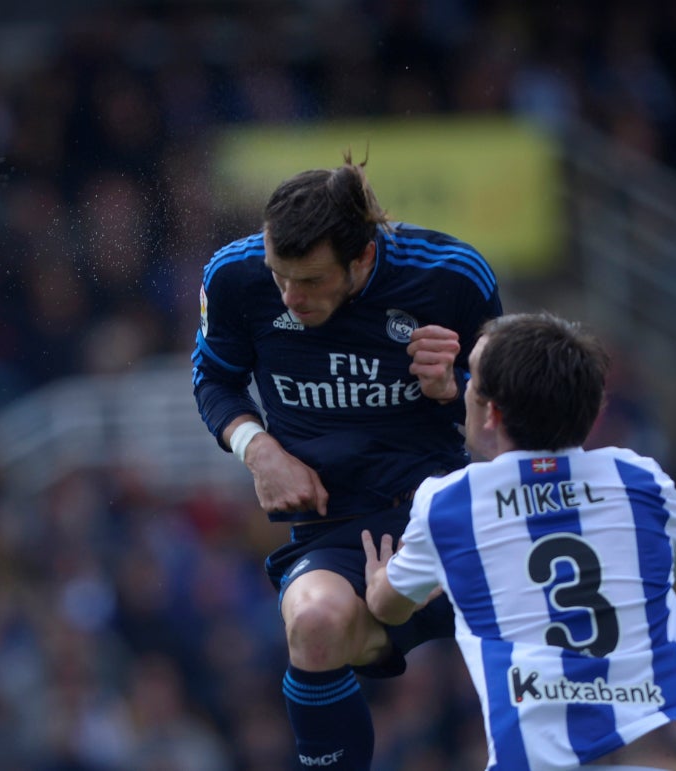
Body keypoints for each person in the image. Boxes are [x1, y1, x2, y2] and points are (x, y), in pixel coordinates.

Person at [191, 150, 503, 769]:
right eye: (280, 274)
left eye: (310, 281)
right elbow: (215, 380)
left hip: (451, 515)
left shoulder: (453, 275)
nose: (290, 296)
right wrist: (260, 451)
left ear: (362, 257)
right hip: (335, 527)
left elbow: (516, 409)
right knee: (313, 623)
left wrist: (460, 384)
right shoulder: (234, 276)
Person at [363, 312, 676, 771]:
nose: (462, 387)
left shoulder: (448, 500)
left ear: (492, 412)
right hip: (656, 756)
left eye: (472, 379)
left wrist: (380, 575)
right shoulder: (639, 477)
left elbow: (388, 608)